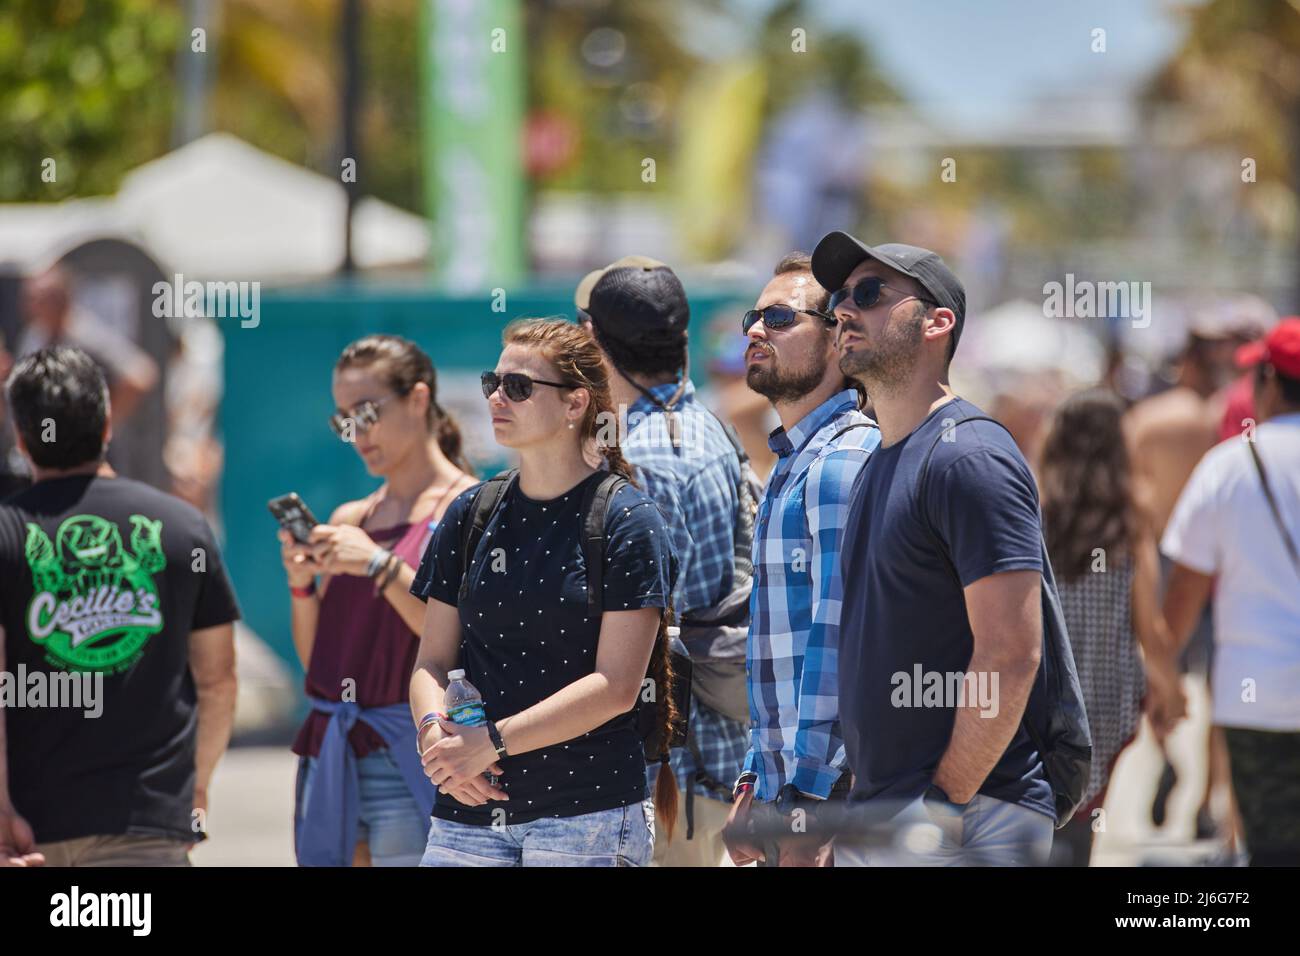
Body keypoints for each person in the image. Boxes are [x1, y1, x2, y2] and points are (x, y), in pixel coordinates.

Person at [814, 231, 1055, 866]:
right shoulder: (882, 460)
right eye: (839, 296)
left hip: (965, 816)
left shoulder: (968, 456)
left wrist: (943, 804)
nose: (843, 309)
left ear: (937, 323)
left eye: (869, 294)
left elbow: (1011, 652)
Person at [409, 318, 677, 867]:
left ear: (576, 404)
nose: (498, 398)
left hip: (586, 817)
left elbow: (616, 687)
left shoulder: (627, 520)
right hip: (467, 810)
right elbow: (431, 661)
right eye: (494, 383)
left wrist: (490, 742)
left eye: (520, 387)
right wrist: (437, 740)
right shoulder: (471, 513)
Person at [0, 347, 238, 867]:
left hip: (28, 833)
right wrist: (193, 793)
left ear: (21, 438)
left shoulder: (6, 532)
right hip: (149, 826)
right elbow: (218, 680)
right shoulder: (182, 528)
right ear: (107, 423)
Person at [575, 256, 754, 867]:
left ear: (595, 339)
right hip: (707, 756)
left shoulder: (645, 456)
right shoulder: (706, 425)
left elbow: (650, 630)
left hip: (671, 769)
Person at [283, 335, 477, 866]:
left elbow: (455, 641)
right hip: (334, 756)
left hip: (413, 751)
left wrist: (378, 565)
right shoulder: (353, 518)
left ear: (418, 399)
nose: (355, 433)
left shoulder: (467, 507)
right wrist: (301, 583)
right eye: (342, 418)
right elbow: (317, 662)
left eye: (366, 412)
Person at [721, 253, 879, 868]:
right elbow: (780, 657)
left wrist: (809, 800)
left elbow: (840, 641)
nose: (756, 330)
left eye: (781, 317)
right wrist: (756, 781)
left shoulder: (844, 459)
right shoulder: (795, 460)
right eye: (754, 316)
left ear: (841, 339)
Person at [1161, 317, 1300, 866]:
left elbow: (1186, 589)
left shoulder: (1228, 466)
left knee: (1270, 846)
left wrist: (1163, 683)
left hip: (1255, 694)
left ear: (1267, 382)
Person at [1038, 389, 1186, 866]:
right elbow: (1150, 627)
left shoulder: (1033, 515)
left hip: (1044, 689)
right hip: (1106, 695)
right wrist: (1170, 691)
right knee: (1087, 810)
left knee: (1041, 807)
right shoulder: (1130, 520)